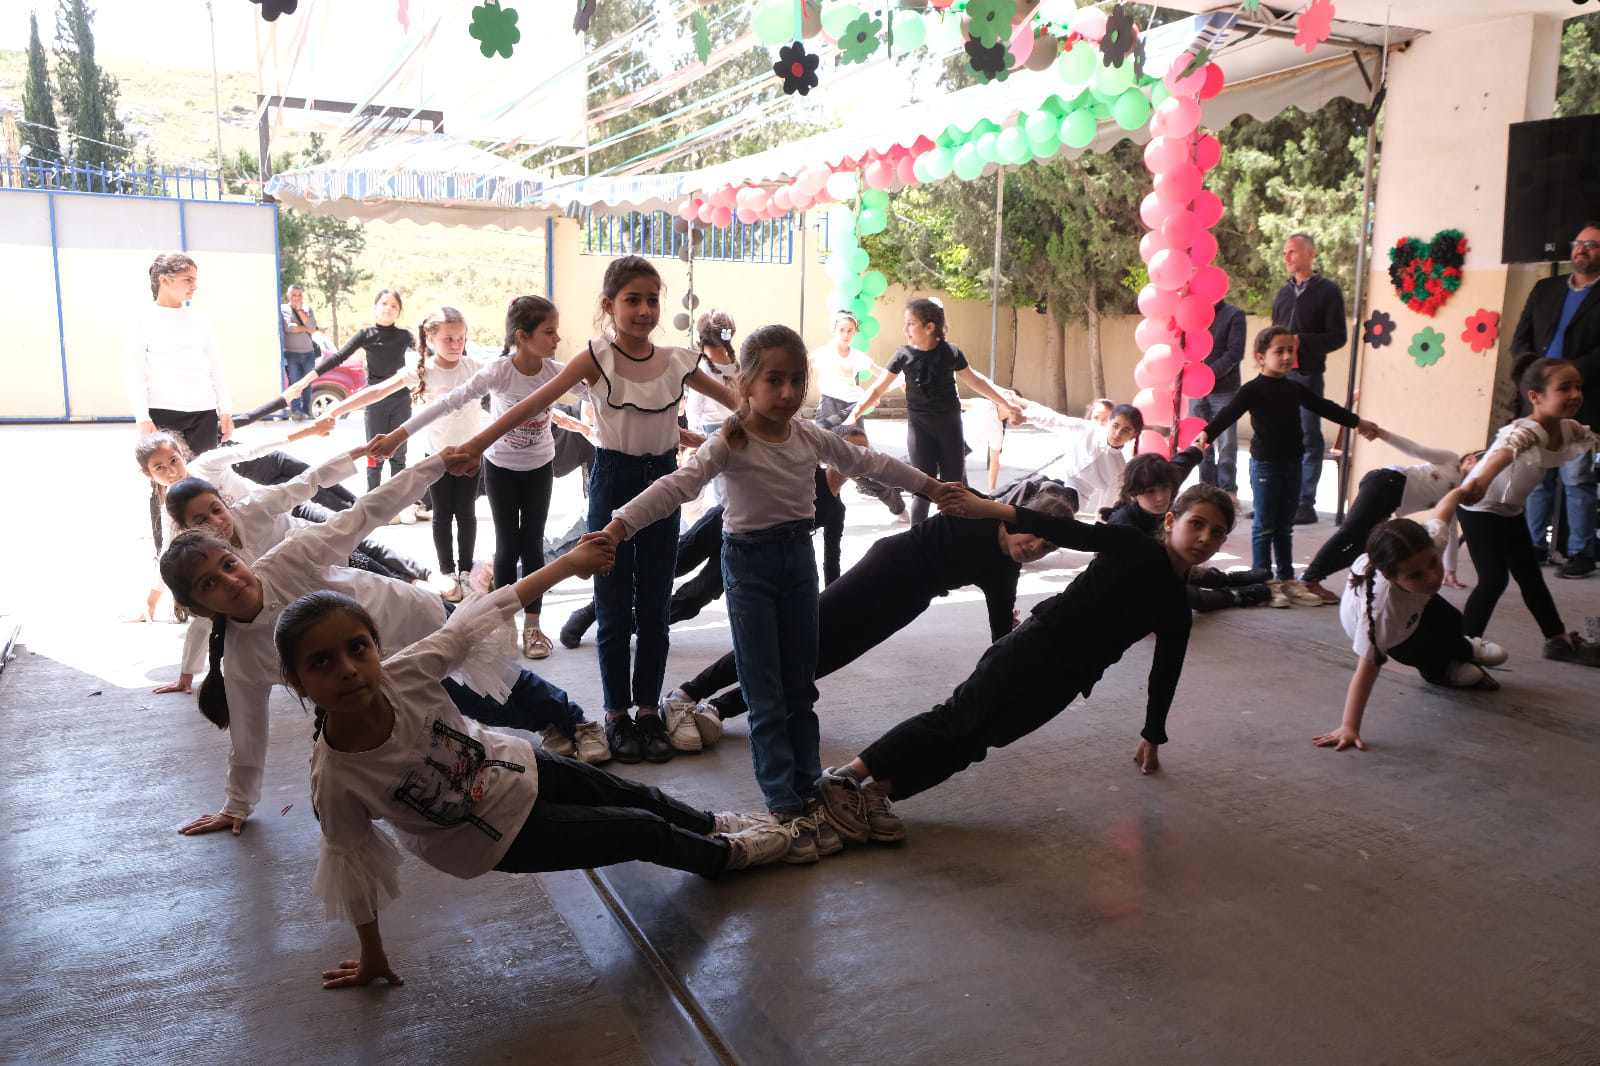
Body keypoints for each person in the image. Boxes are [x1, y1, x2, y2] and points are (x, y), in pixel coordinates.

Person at [275, 546, 793, 990]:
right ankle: (725, 855)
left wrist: (569, 563)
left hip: (517, 765)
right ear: (296, 683)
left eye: (357, 648)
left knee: (635, 795)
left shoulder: (404, 672)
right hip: (492, 837)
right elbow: (352, 865)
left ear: (376, 647)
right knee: (640, 830)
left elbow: (488, 610)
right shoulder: (336, 777)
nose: (347, 669)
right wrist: (372, 954)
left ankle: (713, 824)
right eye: (321, 662)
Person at [595, 324, 950, 863]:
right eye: (774, 380)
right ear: (745, 383)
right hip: (749, 567)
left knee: (799, 687)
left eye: (796, 380)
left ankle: (809, 790)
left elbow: (870, 463)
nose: (787, 392)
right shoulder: (730, 441)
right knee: (765, 692)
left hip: (797, 563)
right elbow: (676, 486)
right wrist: (619, 524)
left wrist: (933, 487)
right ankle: (785, 806)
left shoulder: (809, 437)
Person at [158, 452, 609, 839]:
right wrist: (237, 804)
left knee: (503, 681)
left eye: (228, 565)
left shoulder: (287, 559)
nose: (230, 581)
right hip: (387, 673)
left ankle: (575, 720)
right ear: (198, 608)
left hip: (419, 622)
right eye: (209, 584)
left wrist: (435, 465)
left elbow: (364, 513)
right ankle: (550, 722)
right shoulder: (241, 657)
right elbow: (248, 729)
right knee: (481, 705)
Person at [441, 257, 740, 766]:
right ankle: (616, 714)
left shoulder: (679, 361)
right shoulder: (595, 358)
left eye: (652, 300)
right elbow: (529, 404)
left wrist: (777, 428)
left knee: (655, 608)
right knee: (614, 604)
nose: (644, 310)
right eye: (632, 300)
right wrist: (476, 444)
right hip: (612, 483)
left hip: (665, 487)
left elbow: (738, 403)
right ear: (609, 305)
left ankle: (649, 711)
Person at [813, 484, 1234, 845]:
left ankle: (878, 795)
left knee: (977, 743)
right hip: (1034, 646)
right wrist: (990, 509)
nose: (1203, 537)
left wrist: (1153, 733)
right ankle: (846, 777)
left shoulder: (1176, 608)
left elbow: (1167, 669)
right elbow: (1064, 529)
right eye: (1196, 523)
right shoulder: (1132, 545)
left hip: (1069, 680)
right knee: (956, 717)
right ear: (1171, 521)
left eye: (1216, 532)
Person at [663, 487, 1072, 727]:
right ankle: (690, 691)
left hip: (907, 602)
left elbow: (1000, 638)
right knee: (793, 637)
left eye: (1048, 547)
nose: (1036, 548)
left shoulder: (1005, 572)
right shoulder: (977, 509)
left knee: (820, 662)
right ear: (1017, 517)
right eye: (1035, 534)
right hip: (882, 568)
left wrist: (1017, 678)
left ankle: (719, 710)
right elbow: (922, 483)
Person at [371, 298, 566, 657]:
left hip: (540, 467)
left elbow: (599, 390)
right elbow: (447, 402)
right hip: (501, 468)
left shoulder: (556, 371)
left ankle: (533, 626)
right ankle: (506, 622)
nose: (558, 338)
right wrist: (399, 435)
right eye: (549, 331)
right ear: (523, 337)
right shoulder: (499, 372)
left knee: (533, 545)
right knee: (508, 545)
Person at [1195, 326, 1377, 608]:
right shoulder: (1253, 390)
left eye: (1290, 350)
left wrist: (1358, 423)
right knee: (1264, 526)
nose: (1286, 356)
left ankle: (1287, 578)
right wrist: (1207, 434)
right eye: (1278, 351)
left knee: (1284, 527)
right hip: (1265, 467)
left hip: (1293, 465)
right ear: (1261, 357)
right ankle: (1262, 582)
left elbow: (1325, 407)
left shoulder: (1294, 388)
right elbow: (1228, 413)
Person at [1314, 489, 1508, 753]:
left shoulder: (1424, 546)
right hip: (1390, 633)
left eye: (1433, 563)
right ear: (1390, 576)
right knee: (1423, 650)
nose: (1432, 577)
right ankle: (1439, 673)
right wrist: (1349, 726)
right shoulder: (1382, 612)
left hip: (1413, 599)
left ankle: (1466, 649)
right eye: (1416, 574)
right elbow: (1367, 668)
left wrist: (1462, 491)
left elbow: (1444, 509)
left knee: (1452, 620)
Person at [1455, 356, 1600, 665]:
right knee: (1494, 580)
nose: (1575, 394)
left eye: (1578, 386)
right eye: (1564, 388)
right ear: (1536, 397)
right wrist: (1478, 483)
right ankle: (1461, 652)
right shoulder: (1524, 431)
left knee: (1530, 576)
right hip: (1479, 506)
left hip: (1510, 510)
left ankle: (1558, 640)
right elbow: (1499, 458)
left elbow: (1595, 441)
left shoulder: (1569, 429)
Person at [847, 297, 1020, 524]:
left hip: (950, 429)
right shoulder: (903, 355)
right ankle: (917, 536)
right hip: (920, 431)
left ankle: (954, 535)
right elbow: (878, 388)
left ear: (929, 327)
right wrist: (855, 413)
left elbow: (977, 382)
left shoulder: (951, 352)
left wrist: (1008, 403)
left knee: (954, 489)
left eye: (911, 324)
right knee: (922, 488)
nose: (905, 329)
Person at [125, 252, 234, 556]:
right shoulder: (142, 320)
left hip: (203, 412)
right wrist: (142, 417)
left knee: (206, 479)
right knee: (163, 485)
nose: (194, 286)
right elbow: (134, 372)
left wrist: (225, 409)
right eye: (188, 279)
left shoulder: (199, 318)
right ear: (165, 280)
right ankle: (166, 554)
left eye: (195, 280)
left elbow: (215, 365)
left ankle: (212, 547)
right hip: (162, 413)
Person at [1297, 429, 1480, 603]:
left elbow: (1449, 527)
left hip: (1392, 501)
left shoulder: (1458, 493)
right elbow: (1414, 449)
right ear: (1470, 459)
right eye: (1482, 466)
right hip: (1387, 481)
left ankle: (1311, 578)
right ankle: (1309, 578)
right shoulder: (1451, 460)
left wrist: (1450, 571)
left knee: (1365, 545)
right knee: (1350, 531)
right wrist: (1382, 434)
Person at [1510, 221, 1600, 578]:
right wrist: (1534, 377)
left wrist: (1565, 378)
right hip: (1538, 402)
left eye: (1591, 245)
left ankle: (1581, 552)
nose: (1581, 249)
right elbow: (1521, 339)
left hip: (1582, 400)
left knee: (1577, 478)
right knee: (1536, 474)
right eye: (1578, 243)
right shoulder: (1545, 288)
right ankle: (1534, 546)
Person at [1104, 451, 1272, 611]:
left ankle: (1229, 579)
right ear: (1133, 494)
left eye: (1164, 488)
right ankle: (1235, 595)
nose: (1160, 497)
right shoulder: (1123, 525)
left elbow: (1183, 462)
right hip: (1138, 586)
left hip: (1164, 569)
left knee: (1186, 565)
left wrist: (1197, 448)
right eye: (1150, 491)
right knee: (1192, 596)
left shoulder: (1159, 507)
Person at [402, 306, 484, 603]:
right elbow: (378, 391)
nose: (456, 345)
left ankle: (466, 571)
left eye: (461, 338)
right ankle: (447, 571)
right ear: (430, 338)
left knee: (466, 512)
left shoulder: (475, 367)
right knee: (442, 514)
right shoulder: (423, 370)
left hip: (469, 455)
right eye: (449, 339)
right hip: (436, 457)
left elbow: (509, 381)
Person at [307, 289, 417, 496]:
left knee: (399, 454)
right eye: (384, 303)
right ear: (375, 307)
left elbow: (428, 354)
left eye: (394, 306)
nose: (389, 308)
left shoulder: (405, 336)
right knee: (373, 451)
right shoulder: (366, 335)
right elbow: (338, 357)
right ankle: (372, 498)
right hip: (375, 403)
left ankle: (397, 499)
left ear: (399, 311)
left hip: (401, 401)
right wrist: (309, 378)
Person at [1271, 233, 1348, 524]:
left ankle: (1304, 504)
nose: (1287, 257)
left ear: (1310, 254)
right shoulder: (1283, 293)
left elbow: (1338, 337)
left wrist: (1302, 341)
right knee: (1278, 437)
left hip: (1307, 376)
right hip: (1279, 377)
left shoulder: (1329, 291)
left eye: (1292, 251)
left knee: (1308, 438)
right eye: (1285, 252)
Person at [1019, 400, 1142, 517]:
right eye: (1115, 426)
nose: (1118, 433)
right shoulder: (1089, 430)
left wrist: (1099, 526)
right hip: (1052, 476)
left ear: (1134, 435)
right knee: (1026, 485)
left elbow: (1108, 501)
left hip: (1075, 495)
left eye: (1126, 430)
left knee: (1049, 488)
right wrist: (1025, 417)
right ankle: (1006, 517)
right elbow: (1057, 420)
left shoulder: (1119, 469)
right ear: (1109, 422)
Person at [1192, 298, 1246, 500]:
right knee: (1200, 441)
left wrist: (1208, 375)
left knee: (1226, 444)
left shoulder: (1234, 315)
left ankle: (1228, 492)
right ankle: (1206, 490)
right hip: (1196, 390)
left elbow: (1235, 353)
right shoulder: (1192, 314)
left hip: (1225, 390)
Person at [685, 310, 740, 504]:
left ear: (700, 339)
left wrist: (693, 432)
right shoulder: (738, 367)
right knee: (727, 481)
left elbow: (694, 408)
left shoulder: (702, 370)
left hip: (709, 432)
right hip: (737, 428)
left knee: (709, 482)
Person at [809, 311, 887, 429]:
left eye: (850, 330)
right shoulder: (823, 353)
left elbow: (882, 373)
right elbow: (801, 363)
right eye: (841, 330)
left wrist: (878, 393)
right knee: (825, 437)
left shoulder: (858, 356)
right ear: (834, 331)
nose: (845, 334)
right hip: (829, 403)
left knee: (855, 439)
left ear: (855, 332)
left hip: (854, 405)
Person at [280, 286, 320, 421]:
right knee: (294, 382)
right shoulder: (284, 309)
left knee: (307, 383)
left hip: (308, 353)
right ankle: (296, 411)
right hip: (291, 353)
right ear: (288, 296)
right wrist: (306, 328)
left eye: (299, 295)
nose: (297, 297)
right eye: (294, 295)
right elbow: (289, 328)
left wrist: (299, 310)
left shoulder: (308, 310)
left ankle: (306, 411)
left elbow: (312, 327)